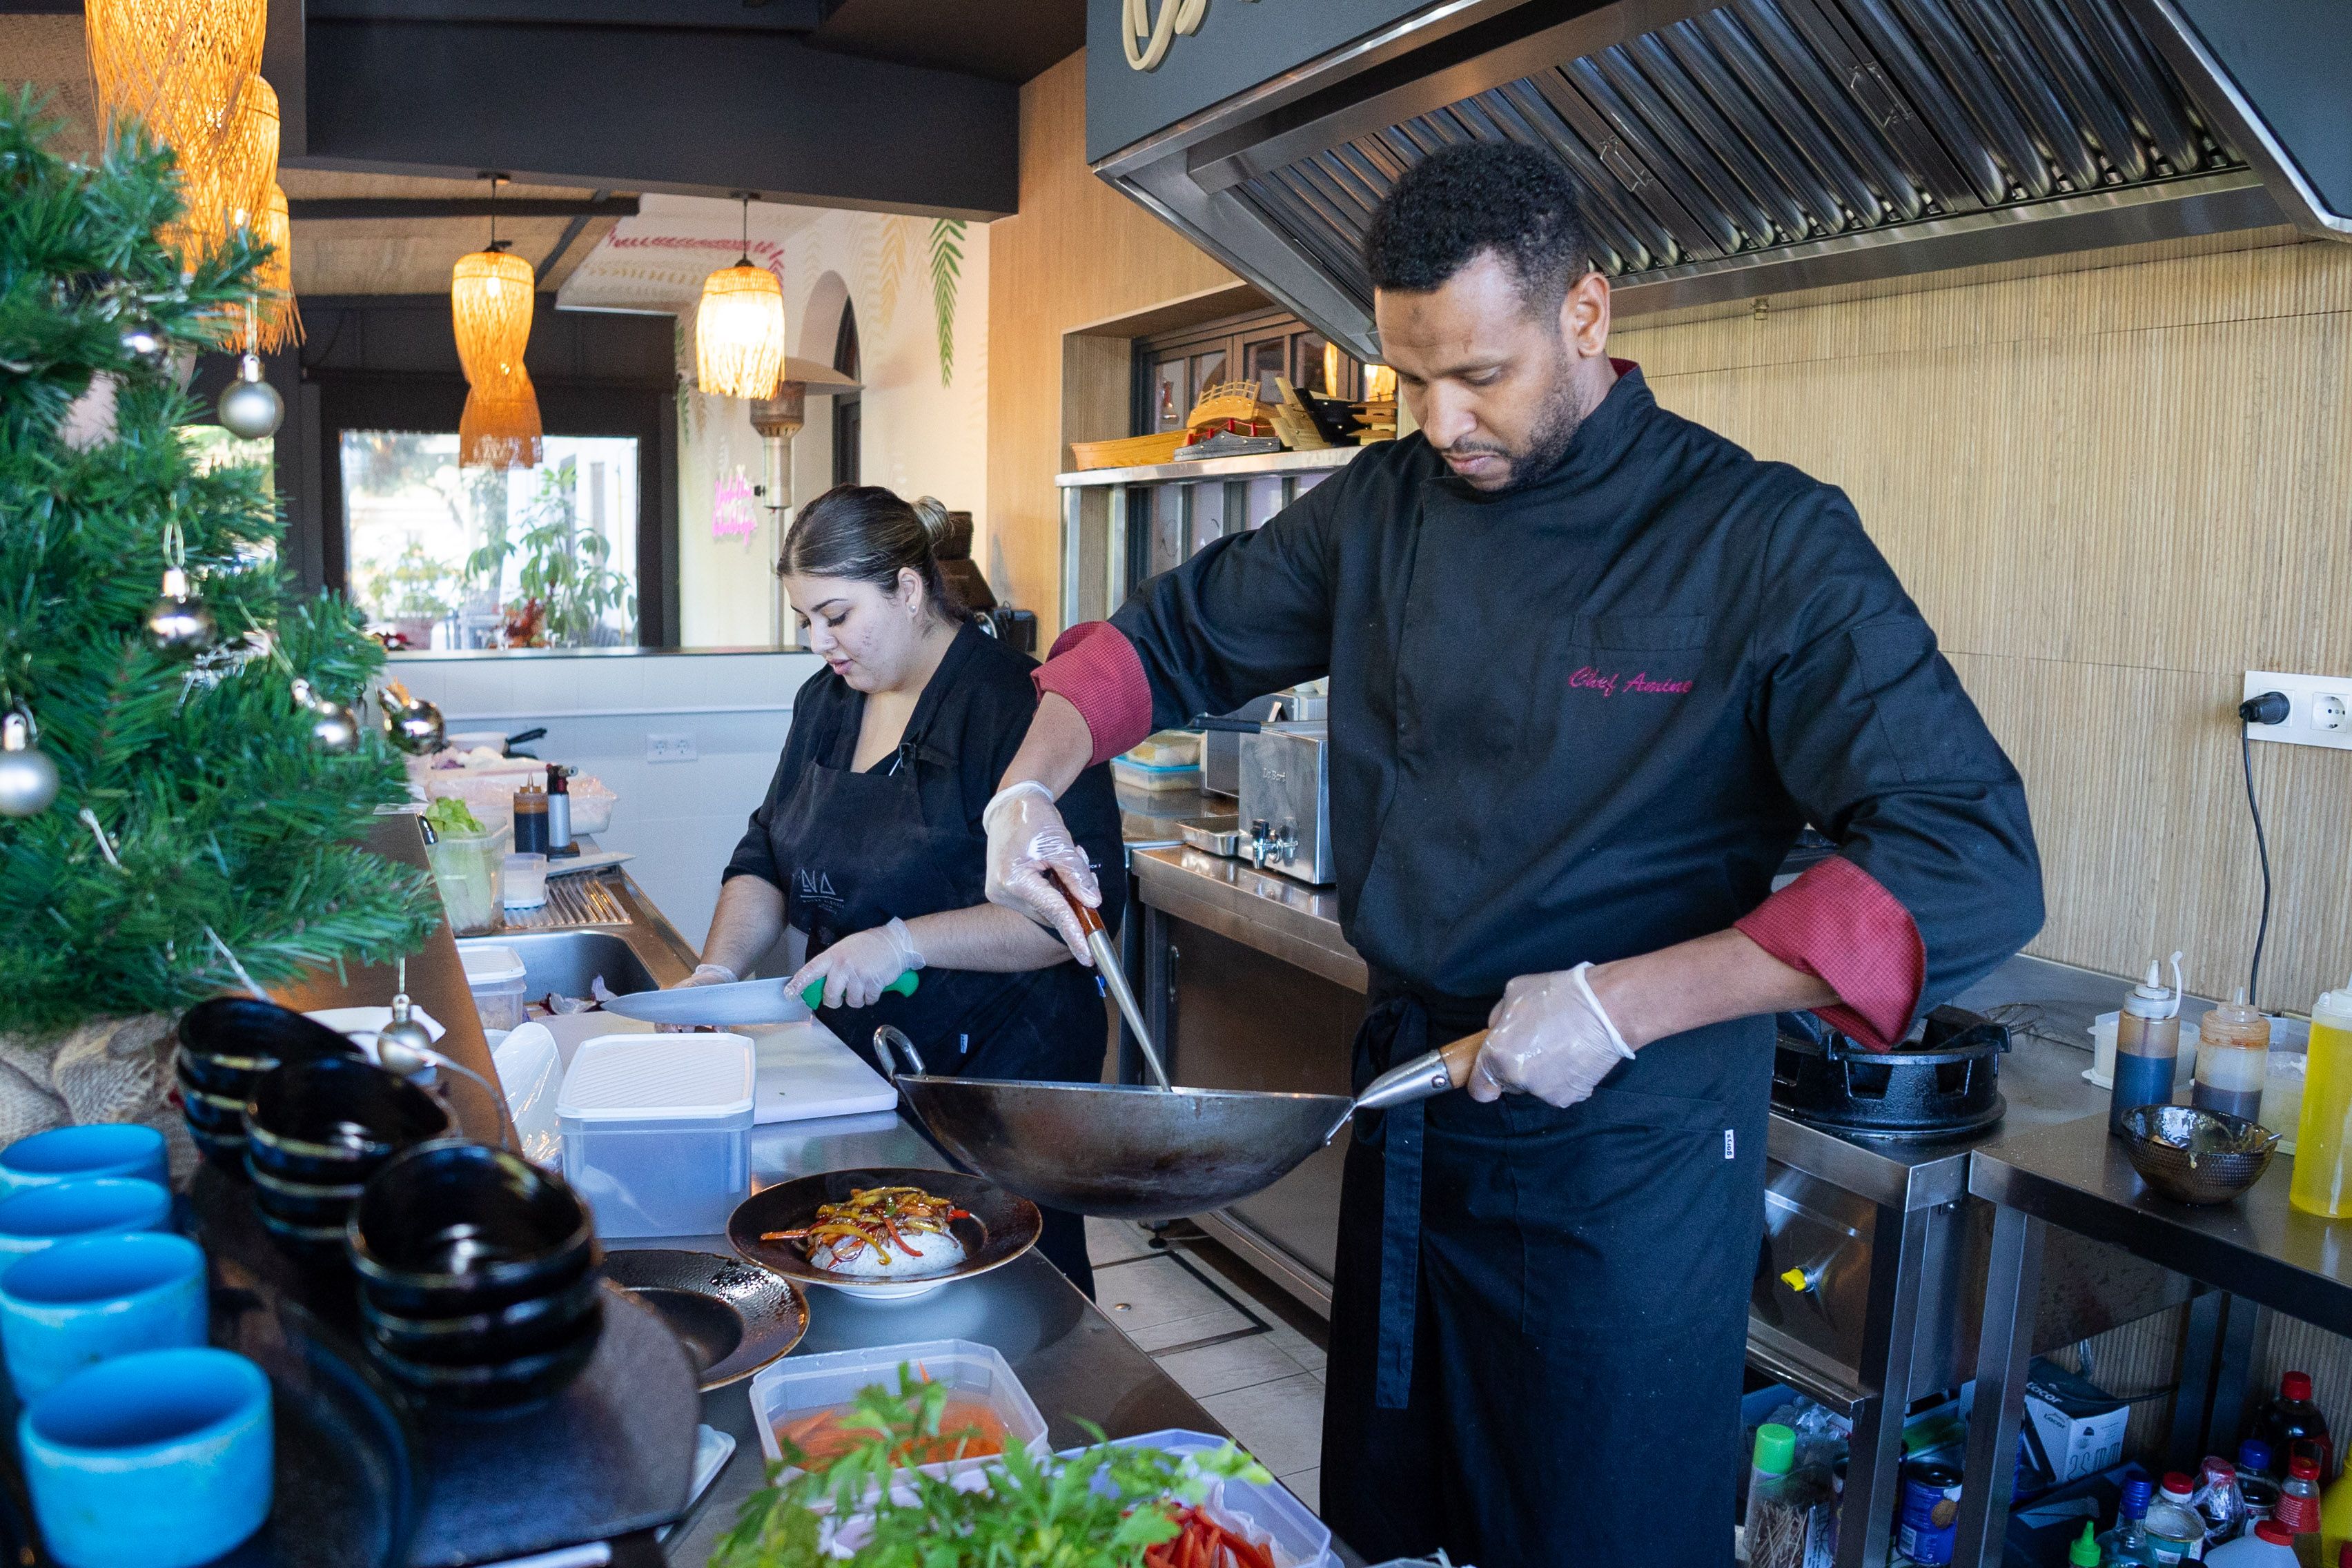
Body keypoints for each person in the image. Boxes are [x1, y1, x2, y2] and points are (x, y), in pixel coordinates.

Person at [978, 144, 2043, 1566]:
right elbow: (1162, 639)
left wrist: (1615, 1002)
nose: (1441, 420)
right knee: (1392, 1514)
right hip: (1417, 1112)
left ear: (1586, 314)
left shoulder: (1760, 540)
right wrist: (1027, 788)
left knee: (1584, 1534)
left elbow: (1970, 858)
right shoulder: (1385, 506)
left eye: (1480, 373)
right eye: (1410, 376)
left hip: (1622, 1164)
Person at [683, 485, 1127, 1296]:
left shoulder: (1017, 707)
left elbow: (1078, 918)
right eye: (806, 621)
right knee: (871, 1261)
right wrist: (716, 974)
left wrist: (904, 942)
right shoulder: (825, 703)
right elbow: (765, 856)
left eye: (837, 615)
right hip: (857, 1064)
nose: (821, 642)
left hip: (1002, 1080)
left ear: (910, 589)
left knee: (1012, 1284)